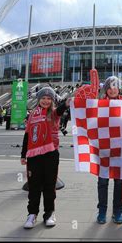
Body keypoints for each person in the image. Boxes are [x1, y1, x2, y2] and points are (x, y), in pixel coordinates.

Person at [20, 87, 70, 229]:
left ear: (52, 100)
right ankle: (32, 214)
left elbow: (60, 110)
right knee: (34, 186)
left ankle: (49, 213)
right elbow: (28, 135)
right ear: (39, 99)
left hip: (51, 153)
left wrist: (66, 103)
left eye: (49, 99)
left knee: (49, 185)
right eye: (43, 98)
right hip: (34, 155)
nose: (46, 101)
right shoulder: (32, 115)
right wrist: (23, 155)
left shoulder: (53, 113)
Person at [97, 76, 122, 224]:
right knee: (102, 181)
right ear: (106, 89)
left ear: (119, 88)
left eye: (115, 86)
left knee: (119, 182)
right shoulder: (99, 104)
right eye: (109, 87)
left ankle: (117, 211)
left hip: (121, 149)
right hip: (103, 149)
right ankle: (102, 211)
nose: (112, 89)